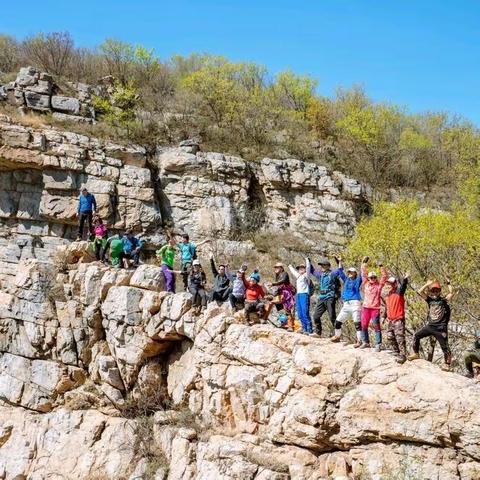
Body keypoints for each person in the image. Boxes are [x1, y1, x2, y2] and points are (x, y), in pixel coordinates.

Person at [408, 279, 454, 368]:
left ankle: (447, 364)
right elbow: (420, 291)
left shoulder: (443, 300)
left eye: (437, 290)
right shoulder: (429, 300)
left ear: (439, 291)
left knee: (445, 346)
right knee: (416, 335)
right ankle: (416, 353)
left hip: (440, 328)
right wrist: (427, 284)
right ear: (431, 292)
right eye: (433, 290)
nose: (435, 292)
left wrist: (448, 283)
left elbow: (451, 293)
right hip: (430, 326)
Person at [331, 257, 363, 344]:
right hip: (346, 304)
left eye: (352, 272)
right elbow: (340, 271)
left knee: (357, 323)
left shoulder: (357, 281)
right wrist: (340, 261)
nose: (350, 273)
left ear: (355, 273)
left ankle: (359, 341)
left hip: (355, 303)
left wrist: (363, 264)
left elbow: (361, 275)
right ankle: (337, 336)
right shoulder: (346, 280)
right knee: (338, 322)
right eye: (349, 272)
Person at [360, 258, 387, 351]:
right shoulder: (366, 284)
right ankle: (365, 342)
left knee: (376, 326)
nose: (373, 279)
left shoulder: (379, 286)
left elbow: (384, 276)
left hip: (375, 308)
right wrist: (364, 263)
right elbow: (363, 274)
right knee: (363, 325)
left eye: (374, 277)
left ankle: (378, 344)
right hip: (366, 308)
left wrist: (381, 266)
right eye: (371, 277)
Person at [310, 257, 341, 338]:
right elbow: (312, 271)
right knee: (316, 316)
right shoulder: (321, 275)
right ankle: (318, 333)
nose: (322, 267)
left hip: (330, 297)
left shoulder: (332, 274)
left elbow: (340, 270)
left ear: (328, 266)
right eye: (321, 266)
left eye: (324, 265)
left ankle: (337, 335)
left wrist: (339, 261)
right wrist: (308, 262)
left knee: (332, 316)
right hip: (322, 297)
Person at [384, 272, 409, 364]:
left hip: (398, 319)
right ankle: (396, 351)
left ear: (394, 284)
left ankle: (403, 354)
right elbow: (387, 307)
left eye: (391, 284)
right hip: (390, 320)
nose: (389, 285)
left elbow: (403, 287)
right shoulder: (387, 296)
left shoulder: (399, 292)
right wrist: (384, 316)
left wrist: (405, 279)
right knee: (390, 336)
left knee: (400, 337)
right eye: (388, 284)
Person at [264, 263, 295, 331]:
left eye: (277, 267)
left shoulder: (285, 273)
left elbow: (282, 281)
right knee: (271, 303)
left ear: (281, 268)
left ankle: (290, 326)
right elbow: (278, 287)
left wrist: (273, 283)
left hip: (286, 294)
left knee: (287, 310)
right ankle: (264, 319)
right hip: (280, 294)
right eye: (275, 267)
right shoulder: (278, 276)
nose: (276, 269)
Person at [289, 258, 313, 334]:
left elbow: (308, 268)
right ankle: (304, 328)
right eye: (299, 268)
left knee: (305, 312)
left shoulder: (307, 276)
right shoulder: (298, 276)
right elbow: (293, 272)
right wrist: (289, 266)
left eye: (302, 268)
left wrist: (307, 260)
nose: (300, 269)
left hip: (304, 294)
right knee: (300, 313)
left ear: (305, 269)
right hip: (298, 295)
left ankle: (309, 329)